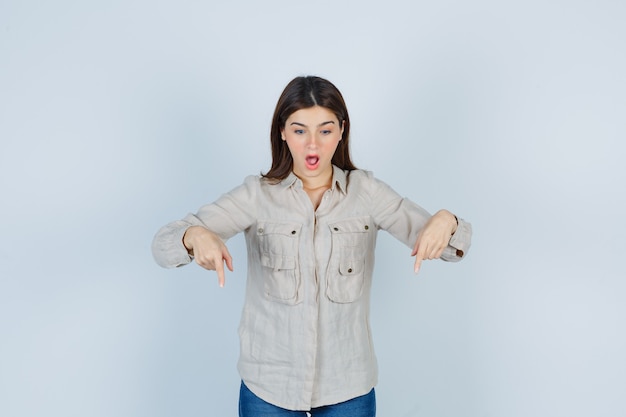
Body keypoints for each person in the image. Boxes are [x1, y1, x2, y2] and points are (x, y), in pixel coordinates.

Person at [152, 75, 472, 417]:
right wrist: (193, 236)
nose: (313, 145)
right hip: (268, 387)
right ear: (282, 131)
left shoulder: (365, 192)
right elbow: (163, 243)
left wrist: (447, 220)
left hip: (348, 387)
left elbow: (449, 245)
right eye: (300, 129)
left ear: (342, 130)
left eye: (325, 129)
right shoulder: (256, 195)